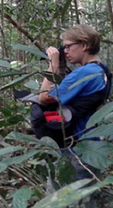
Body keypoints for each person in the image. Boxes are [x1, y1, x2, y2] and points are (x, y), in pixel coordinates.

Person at [39, 25, 111, 206]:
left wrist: (53, 64)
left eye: (68, 46)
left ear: (84, 45)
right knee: (85, 199)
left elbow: (45, 97)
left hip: (74, 149)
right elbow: (65, 93)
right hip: (91, 144)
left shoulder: (84, 73)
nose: (65, 51)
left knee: (59, 201)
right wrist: (61, 66)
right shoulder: (102, 70)